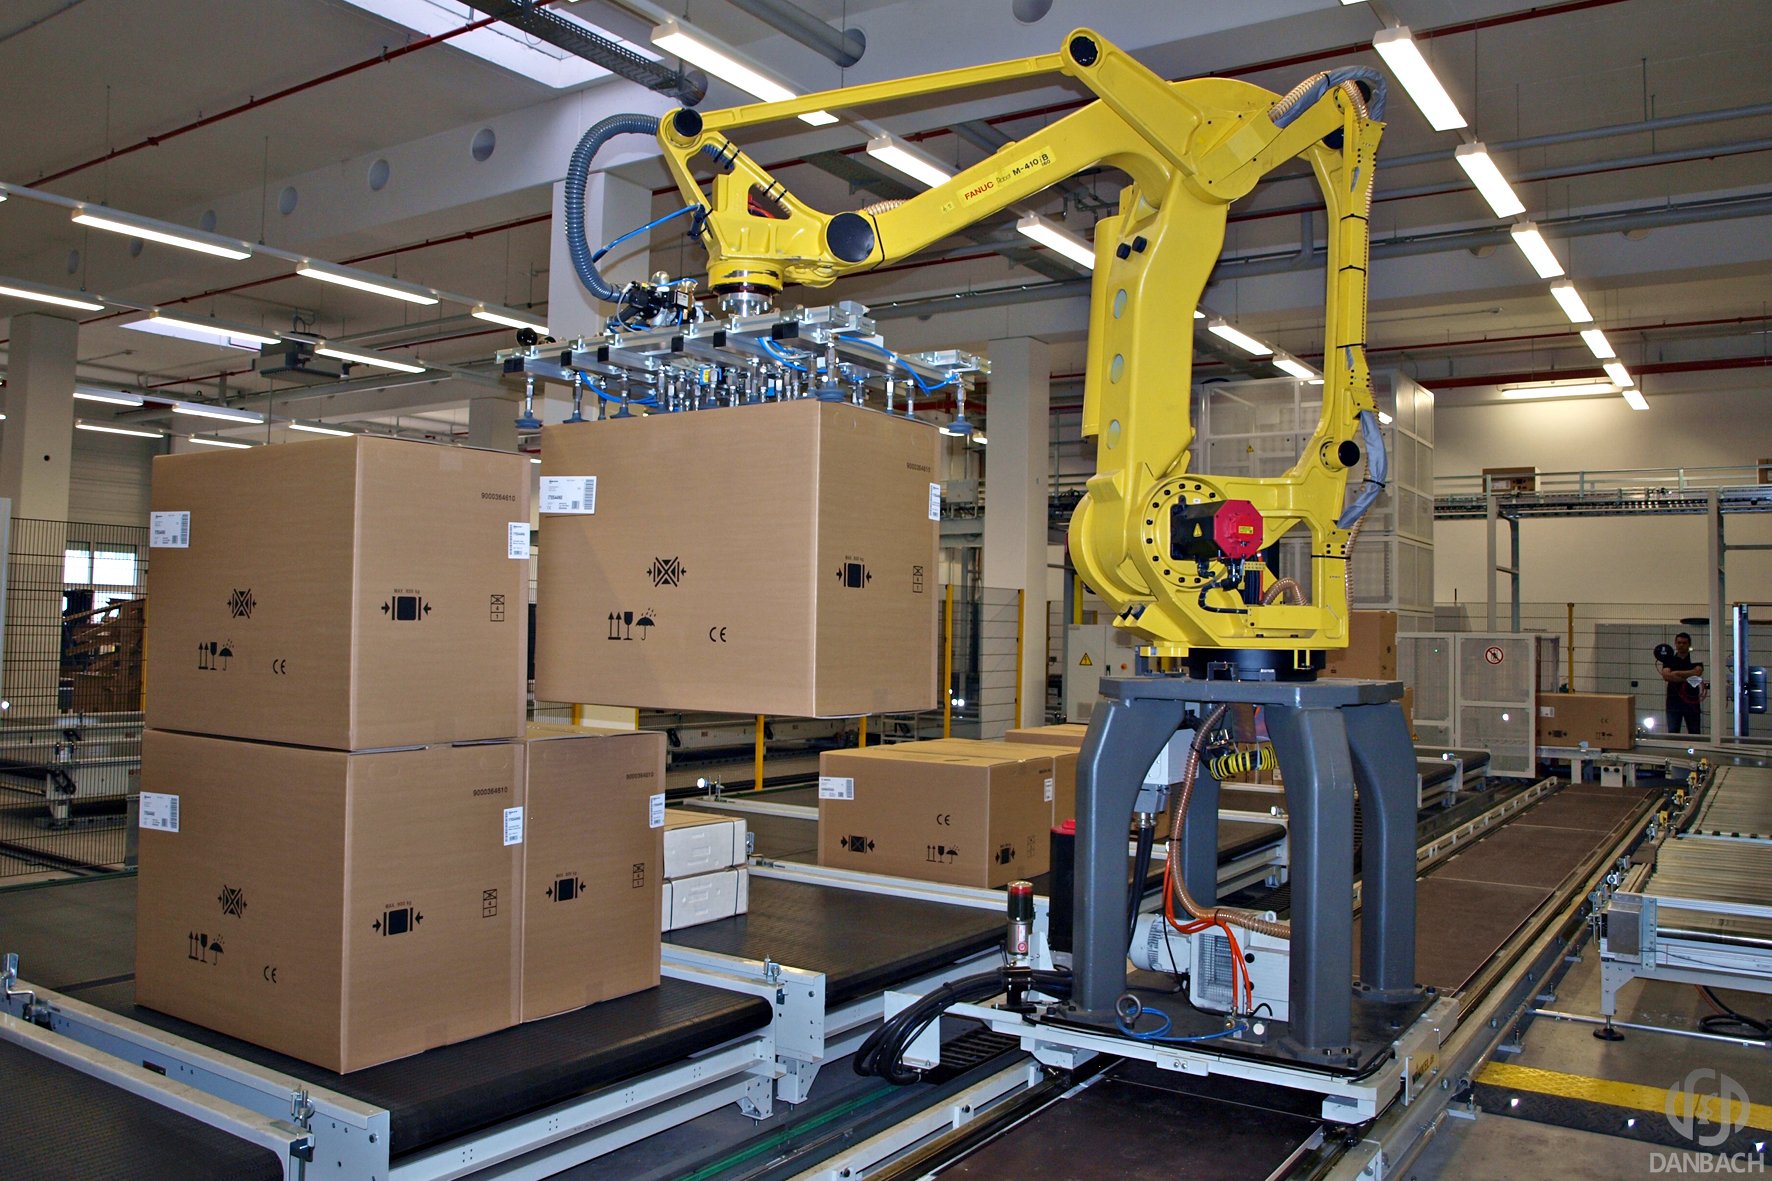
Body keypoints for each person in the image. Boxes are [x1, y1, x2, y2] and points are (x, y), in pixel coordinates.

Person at [1656, 632, 1705, 735]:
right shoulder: (1669, 659)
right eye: (1679, 643)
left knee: (1694, 731)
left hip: (1691, 701)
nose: (1681, 645)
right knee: (1673, 731)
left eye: (1684, 643)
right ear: (1675, 643)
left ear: (1689, 644)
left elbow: (1697, 672)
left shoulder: (1695, 658)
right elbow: (1666, 676)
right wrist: (1689, 676)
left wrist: (1676, 673)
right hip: (1673, 701)